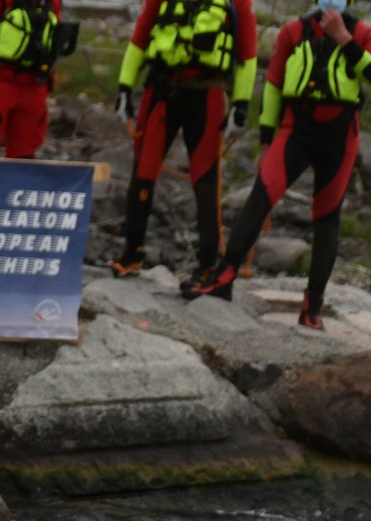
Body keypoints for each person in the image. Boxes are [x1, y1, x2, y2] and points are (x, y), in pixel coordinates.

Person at [184, 0, 371, 328]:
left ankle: (312, 307)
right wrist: (267, 140)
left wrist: (343, 38)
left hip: (340, 136)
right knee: (261, 196)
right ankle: (224, 277)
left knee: (327, 219)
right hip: (295, 130)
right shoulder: (293, 31)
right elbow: (272, 86)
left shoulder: (361, 32)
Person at [108, 0, 258, 286]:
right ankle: (132, 251)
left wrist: (240, 105)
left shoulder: (238, 2)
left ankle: (206, 264)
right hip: (162, 90)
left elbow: (248, 57)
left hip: (206, 94)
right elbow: (139, 41)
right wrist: (124, 89)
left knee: (205, 180)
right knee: (143, 171)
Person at [0, 0, 65, 158]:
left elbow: (53, 40)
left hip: (34, 86)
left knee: (25, 154)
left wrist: (48, 80)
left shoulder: (53, 3)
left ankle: (18, 183)